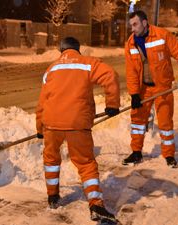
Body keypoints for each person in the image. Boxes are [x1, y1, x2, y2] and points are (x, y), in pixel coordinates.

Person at [36, 37, 120, 224]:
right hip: (77, 124)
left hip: (51, 125)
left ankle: (53, 197)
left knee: (50, 160)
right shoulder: (87, 63)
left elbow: (42, 101)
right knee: (85, 163)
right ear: (78, 49)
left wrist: (39, 127)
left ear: (61, 50)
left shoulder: (51, 69)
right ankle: (96, 205)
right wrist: (112, 104)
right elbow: (110, 76)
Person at [123, 10, 178, 168]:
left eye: (135, 24)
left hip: (163, 87)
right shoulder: (130, 43)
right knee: (138, 121)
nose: (132, 28)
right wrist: (134, 94)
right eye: (130, 25)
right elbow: (131, 71)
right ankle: (136, 152)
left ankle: (168, 154)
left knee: (165, 122)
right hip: (143, 88)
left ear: (145, 23)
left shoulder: (162, 35)